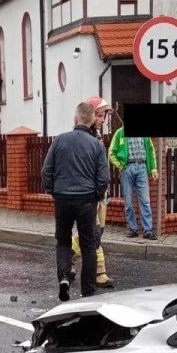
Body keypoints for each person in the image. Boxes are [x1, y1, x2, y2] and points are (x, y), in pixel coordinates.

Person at [42, 101, 109, 302]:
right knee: (89, 245)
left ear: (76, 118)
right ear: (91, 121)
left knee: (62, 240)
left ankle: (64, 277)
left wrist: (53, 191)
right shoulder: (96, 145)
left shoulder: (60, 140)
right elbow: (103, 177)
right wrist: (96, 195)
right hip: (87, 199)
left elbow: (46, 171)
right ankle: (88, 291)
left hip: (62, 198)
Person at [70, 97, 114, 288]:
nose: (103, 119)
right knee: (93, 234)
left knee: (96, 233)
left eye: (104, 115)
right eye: (100, 115)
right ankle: (99, 272)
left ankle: (69, 256)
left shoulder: (96, 137)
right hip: (89, 196)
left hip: (100, 195)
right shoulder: (84, 138)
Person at [109, 125, 158, 241]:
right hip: (127, 168)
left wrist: (153, 169)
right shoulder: (120, 133)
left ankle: (148, 231)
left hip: (142, 167)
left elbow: (151, 151)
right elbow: (111, 152)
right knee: (128, 201)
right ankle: (133, 229)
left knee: (145, 201)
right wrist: (120, 166)